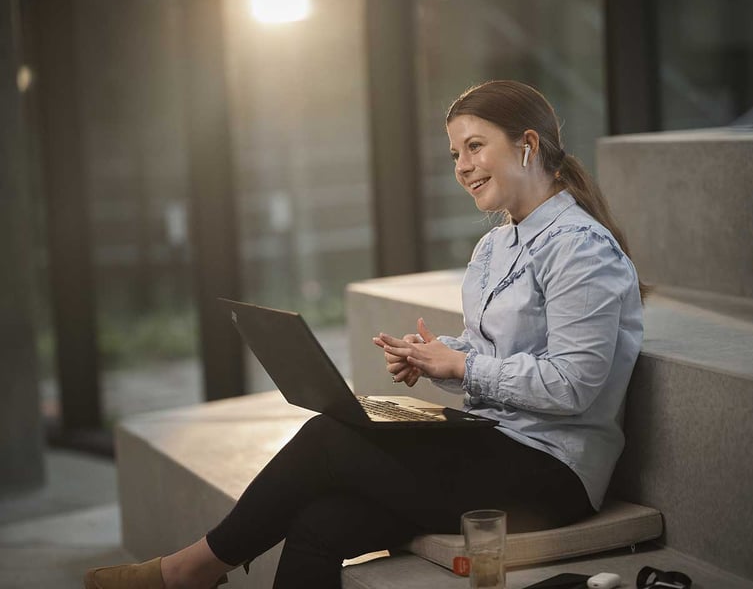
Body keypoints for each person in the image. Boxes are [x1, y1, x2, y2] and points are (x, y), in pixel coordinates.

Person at [84, 80, 644, 589]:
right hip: (492, 444)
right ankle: (191, 572)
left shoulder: (581, 248)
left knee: (329, 438)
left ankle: (189, 570)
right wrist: (437, 356)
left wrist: (462, 367)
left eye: (475, 146)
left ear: (526, 144)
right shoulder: (496, 246)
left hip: (552, 471)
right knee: (320, 521)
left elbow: (573, 384)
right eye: (455, 154)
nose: (463, 166)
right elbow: (500, 351)